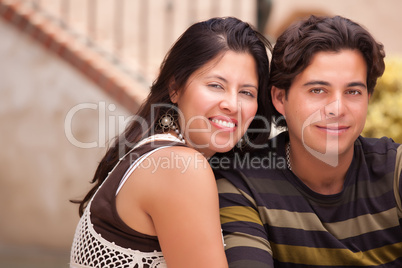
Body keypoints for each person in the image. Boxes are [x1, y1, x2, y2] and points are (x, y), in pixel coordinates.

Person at [69, 17, 272, 268]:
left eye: (247, 92)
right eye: (216, 85)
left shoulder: (155, 152)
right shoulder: (179, 167)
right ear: (175, 87)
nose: (232, 104)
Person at [215, 15, 402, 267]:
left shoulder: (395, 170)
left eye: (353, 92)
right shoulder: (242, 185)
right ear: (280, 98)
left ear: (368, 97)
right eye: (318, 90)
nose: (337, 108)